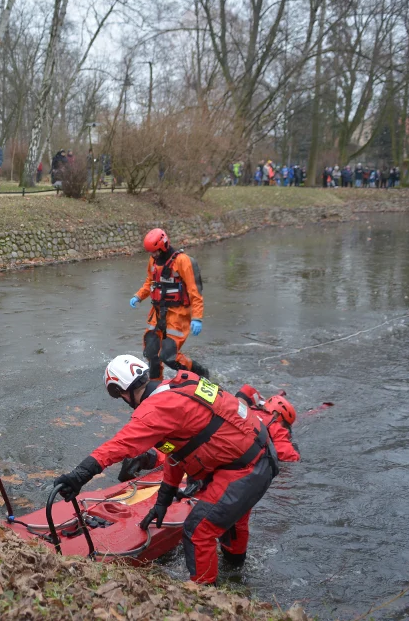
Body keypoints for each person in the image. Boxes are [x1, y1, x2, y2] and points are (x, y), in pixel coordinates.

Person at [54, 356, 277, 584]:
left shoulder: (155, 409)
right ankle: (236, 573)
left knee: (198, 530)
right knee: (231, 520)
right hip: (259, 455)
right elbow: (177, 451)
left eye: (119, 394)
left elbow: (119, 445)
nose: (122, 399)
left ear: (123, 391)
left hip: (244, 469)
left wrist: (80, 475)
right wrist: (163, 499)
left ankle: (207, 596)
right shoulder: (177, 386)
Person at [130, 228, 208, 381]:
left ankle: (200, 374)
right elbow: (150, 282)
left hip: (178, 315)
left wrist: (197, 317)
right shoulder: (153, 261)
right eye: (150, 253)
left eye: (155, 252)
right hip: (157, 314)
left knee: (168, 356)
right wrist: (138, 296)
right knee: (151, 353)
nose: (153, 255)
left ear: (164, 246)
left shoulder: (182, 261)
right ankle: (154, 386)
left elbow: (195, 291)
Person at [236, 386, 300, 462]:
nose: (285, 429)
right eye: (285, 425)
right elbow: (290, 457)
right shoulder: (275, 427)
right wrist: (295, 450)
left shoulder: (248, 409)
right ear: (278, 415)